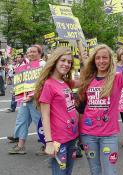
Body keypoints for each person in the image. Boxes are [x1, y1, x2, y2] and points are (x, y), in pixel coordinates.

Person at [77, 19, 123, 175]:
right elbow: (82, 108)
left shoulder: (117, 78)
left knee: (110, 172)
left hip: (108, 136)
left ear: (110, 60)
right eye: (98, 58)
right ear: (94, 60)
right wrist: (78, 133)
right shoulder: (87, 79)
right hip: (88, 134)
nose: (101, 61)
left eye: (105, 58)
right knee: (95, 171)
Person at [35, 47, 79, 175]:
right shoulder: (48, 84)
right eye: (63, 60)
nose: (66, 64)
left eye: (69, 62)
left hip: (72, 137)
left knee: (68, 172)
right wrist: (48, 143)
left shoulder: (65, 82)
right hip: (59, 141)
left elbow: (83, 82)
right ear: (55, 61)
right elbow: (45, 116)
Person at [8, 45, 45, 154]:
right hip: (25, 99)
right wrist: (19, 92)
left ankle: (47, 145)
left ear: (39, 53)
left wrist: (33, 95)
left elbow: (43, 83)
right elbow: (23, 83)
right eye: (29, 52)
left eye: (34, 52)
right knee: (21, 121)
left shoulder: (42, 65)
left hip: (36, 99)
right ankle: (20, 146)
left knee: (40, 123)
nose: (31, 54)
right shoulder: (26, 66)